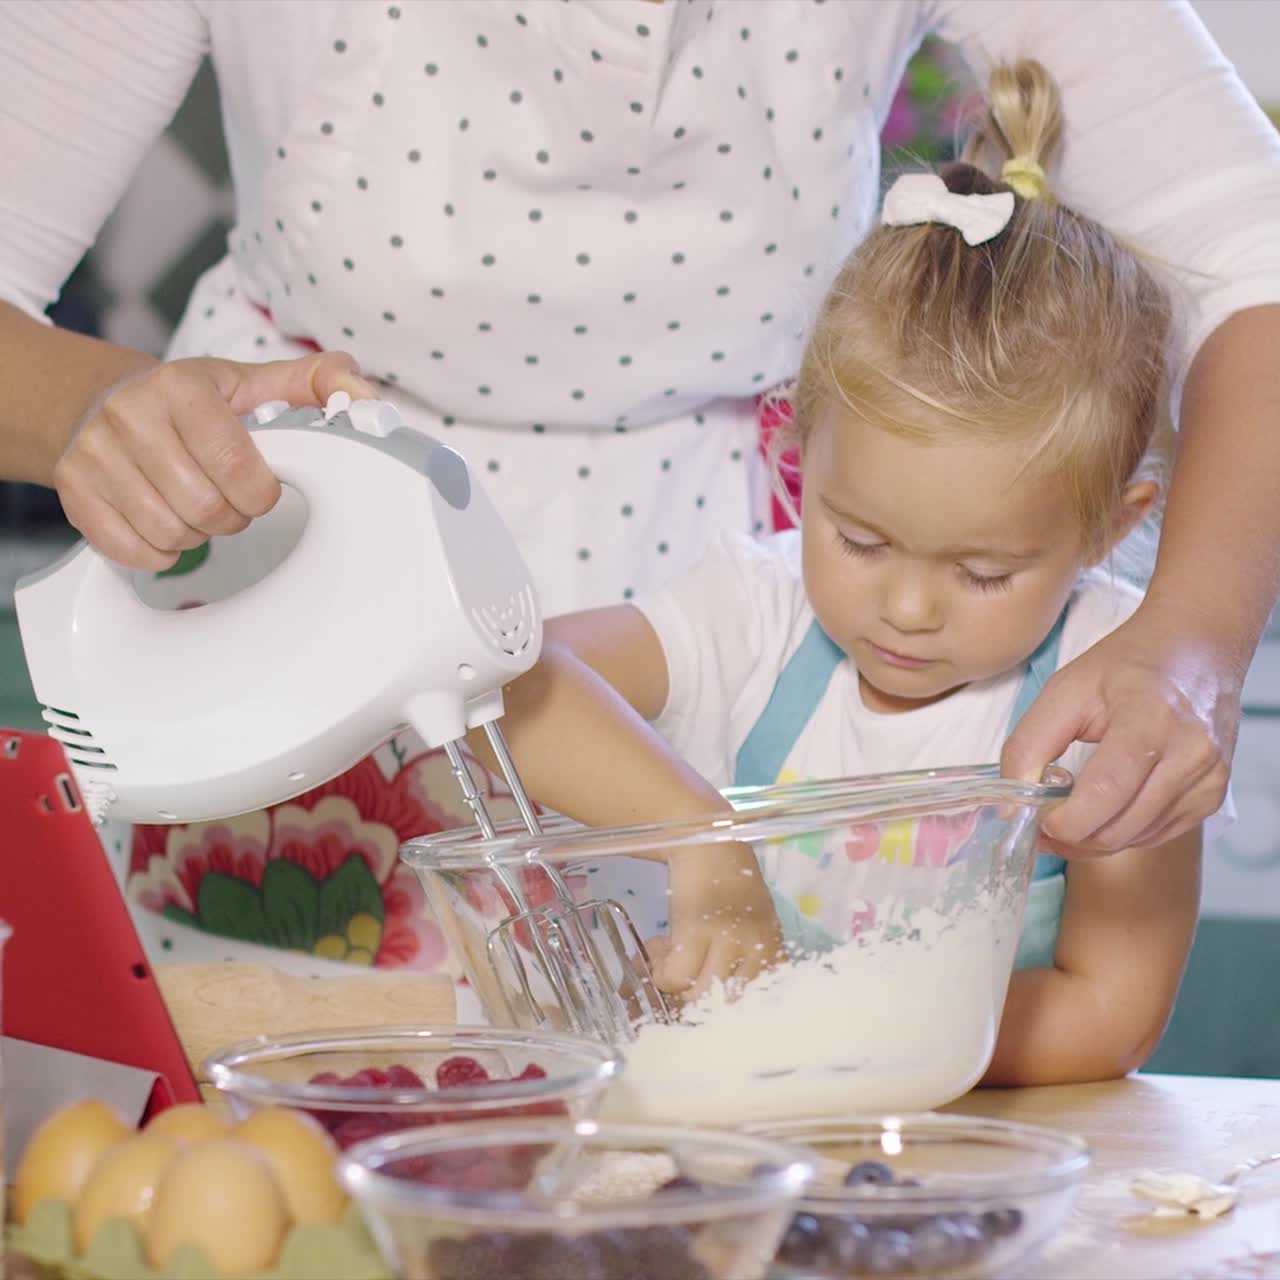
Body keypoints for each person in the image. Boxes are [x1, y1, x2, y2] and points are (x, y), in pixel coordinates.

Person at [0, 1, 1274, 979]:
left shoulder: (776, 622)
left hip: (706, 565)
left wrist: (1191, 641)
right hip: (296, 606)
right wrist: (82, 408)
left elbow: (1248, 248)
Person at [472, 59, 1205, 1083]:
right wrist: (701, 834)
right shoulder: (756, 615)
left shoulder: (1110, 684)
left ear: (1104, 528)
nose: (905, 606)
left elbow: (1110, 1009)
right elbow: (501, 680)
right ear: (792, 455)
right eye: (858, 541)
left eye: (984, 571)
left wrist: (823, 1037)